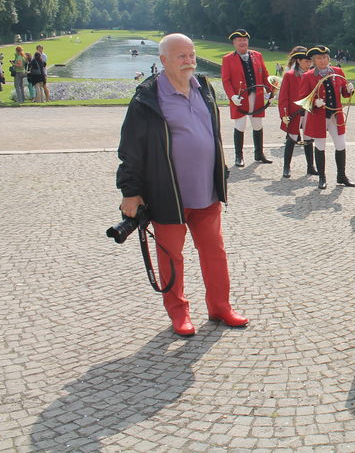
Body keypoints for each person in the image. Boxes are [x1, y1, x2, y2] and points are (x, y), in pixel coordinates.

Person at [116, 33, 248, 337]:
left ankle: (220, 307)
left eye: (191, 54)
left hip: (207, 191)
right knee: (171, 256)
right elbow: (130, 149)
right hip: (167, 195)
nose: (189, 61)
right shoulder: (147, 97)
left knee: (215, 252)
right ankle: (179, 313)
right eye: (181, 56)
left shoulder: (205, 88)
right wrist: (130, 191)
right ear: (163, 60)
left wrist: (222, 172)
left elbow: (212, 134)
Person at [303, 45, 355, 189]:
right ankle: (322, 177)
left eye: (325, 57)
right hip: (319, 117)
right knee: (320, 146)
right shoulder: (308, 76)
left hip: (335, 115)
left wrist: (349, 90)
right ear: (314, 60)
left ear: (329, 58)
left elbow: (344, 92)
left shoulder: (337, 72)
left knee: (341, 145)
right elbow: (303, 98)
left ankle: (341, 176)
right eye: (319, 58)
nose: (323, 61)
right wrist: (314, 102)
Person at [221, 29, 274, 167]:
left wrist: (270, 91)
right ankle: (239, 156)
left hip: (257, 96)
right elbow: (226, 81)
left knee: (257, 125)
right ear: (234, 43)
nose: (242, 42)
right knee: (240, 126)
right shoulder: (227, 59)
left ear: (248, 41)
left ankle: (259, 154)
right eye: (239, 40)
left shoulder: (257, 55)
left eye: (245, 40)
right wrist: (232, 96)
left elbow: (265, 75)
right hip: (240, 98)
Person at [277, 46, 317, 178]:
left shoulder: (312, 74)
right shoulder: (289, 75)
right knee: (292, 138)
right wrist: (284, 115)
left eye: (310, 61)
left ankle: (310, 167)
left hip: (308, 111)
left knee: (308, 139)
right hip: (294, 112)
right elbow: (283, 97)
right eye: (306, 61)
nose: (309, 64)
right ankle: (286, 167)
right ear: (298, 61)